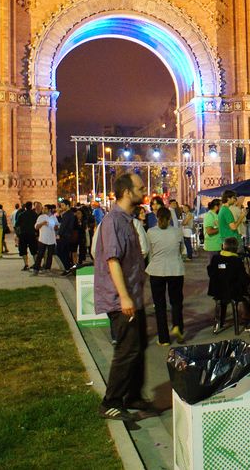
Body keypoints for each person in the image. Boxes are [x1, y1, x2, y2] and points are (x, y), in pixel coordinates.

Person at [95, 172, 156, 421]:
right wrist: (124, 297)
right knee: (127, 350)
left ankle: (132, 395)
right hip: (121, 301)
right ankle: (111, 401)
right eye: (140, 188)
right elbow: (112, 260)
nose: (145, 192)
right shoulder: (113, 221)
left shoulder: (127, 219)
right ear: (127, 192)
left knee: (138, 346)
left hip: (133, 297)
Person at [146, 206, 186, 346]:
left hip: (157, 270)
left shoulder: (150, 232)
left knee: (160, 305)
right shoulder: (177, 232)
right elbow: (182, 250)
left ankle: (163, 338)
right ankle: (177, 326)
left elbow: (148, 251)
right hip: (175, 269)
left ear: (157, 218)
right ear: (170, 218)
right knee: (176, 301)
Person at [207, 237, 250, 332]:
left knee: (222, 300)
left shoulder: (215, 258)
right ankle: (248, 319)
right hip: (234, 292)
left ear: (224, 246)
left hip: (217, 291)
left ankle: (220, 321)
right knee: (248, 294)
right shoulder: (237, 261)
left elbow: (210, 272)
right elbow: (243, 278)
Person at [32, 204, 58, 275]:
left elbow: (56, 227)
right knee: (40, 254)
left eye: (45, 209)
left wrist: (55, 226)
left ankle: (47, 268)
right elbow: (36, 227)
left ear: (49, 210)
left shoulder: (53, 217)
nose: (43, 210)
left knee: (50, 255)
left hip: (51, 239)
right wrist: (43, 223)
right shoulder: (41, 217)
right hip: (43, 239)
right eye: (43, 208)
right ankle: (36, 269)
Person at [15, 202, 39, 270]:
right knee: (34, 250)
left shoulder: (21, 214)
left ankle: (26, 264)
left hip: (23, 235)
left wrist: (18, 234)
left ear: (25, 207)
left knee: (23, 250)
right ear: (31, 206)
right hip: (32, 234)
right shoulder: (35, 215)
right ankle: (36, 265)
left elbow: (17, 225)